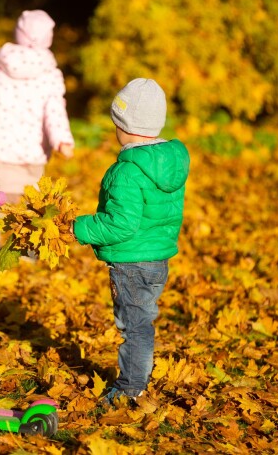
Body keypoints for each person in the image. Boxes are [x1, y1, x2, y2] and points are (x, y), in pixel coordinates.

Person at [73, 78, 190, 406]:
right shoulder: (168, 163)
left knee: (134, 326)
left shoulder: (126, 172)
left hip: (131, 263)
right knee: (142, 319)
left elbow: (119, 226)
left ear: (123, 126)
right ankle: (138, 378)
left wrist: (77, 229)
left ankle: (130, 388)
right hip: (157, 259)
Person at [0, 9, 75, 264]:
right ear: (48, 39)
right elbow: (54, 109)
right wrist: (61, 139)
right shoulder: (50, 73)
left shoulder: (0, 66)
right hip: (34, 148)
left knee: (1, 194)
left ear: (19, 33)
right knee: (32, 198)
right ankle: (27, 249)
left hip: (2, 145)